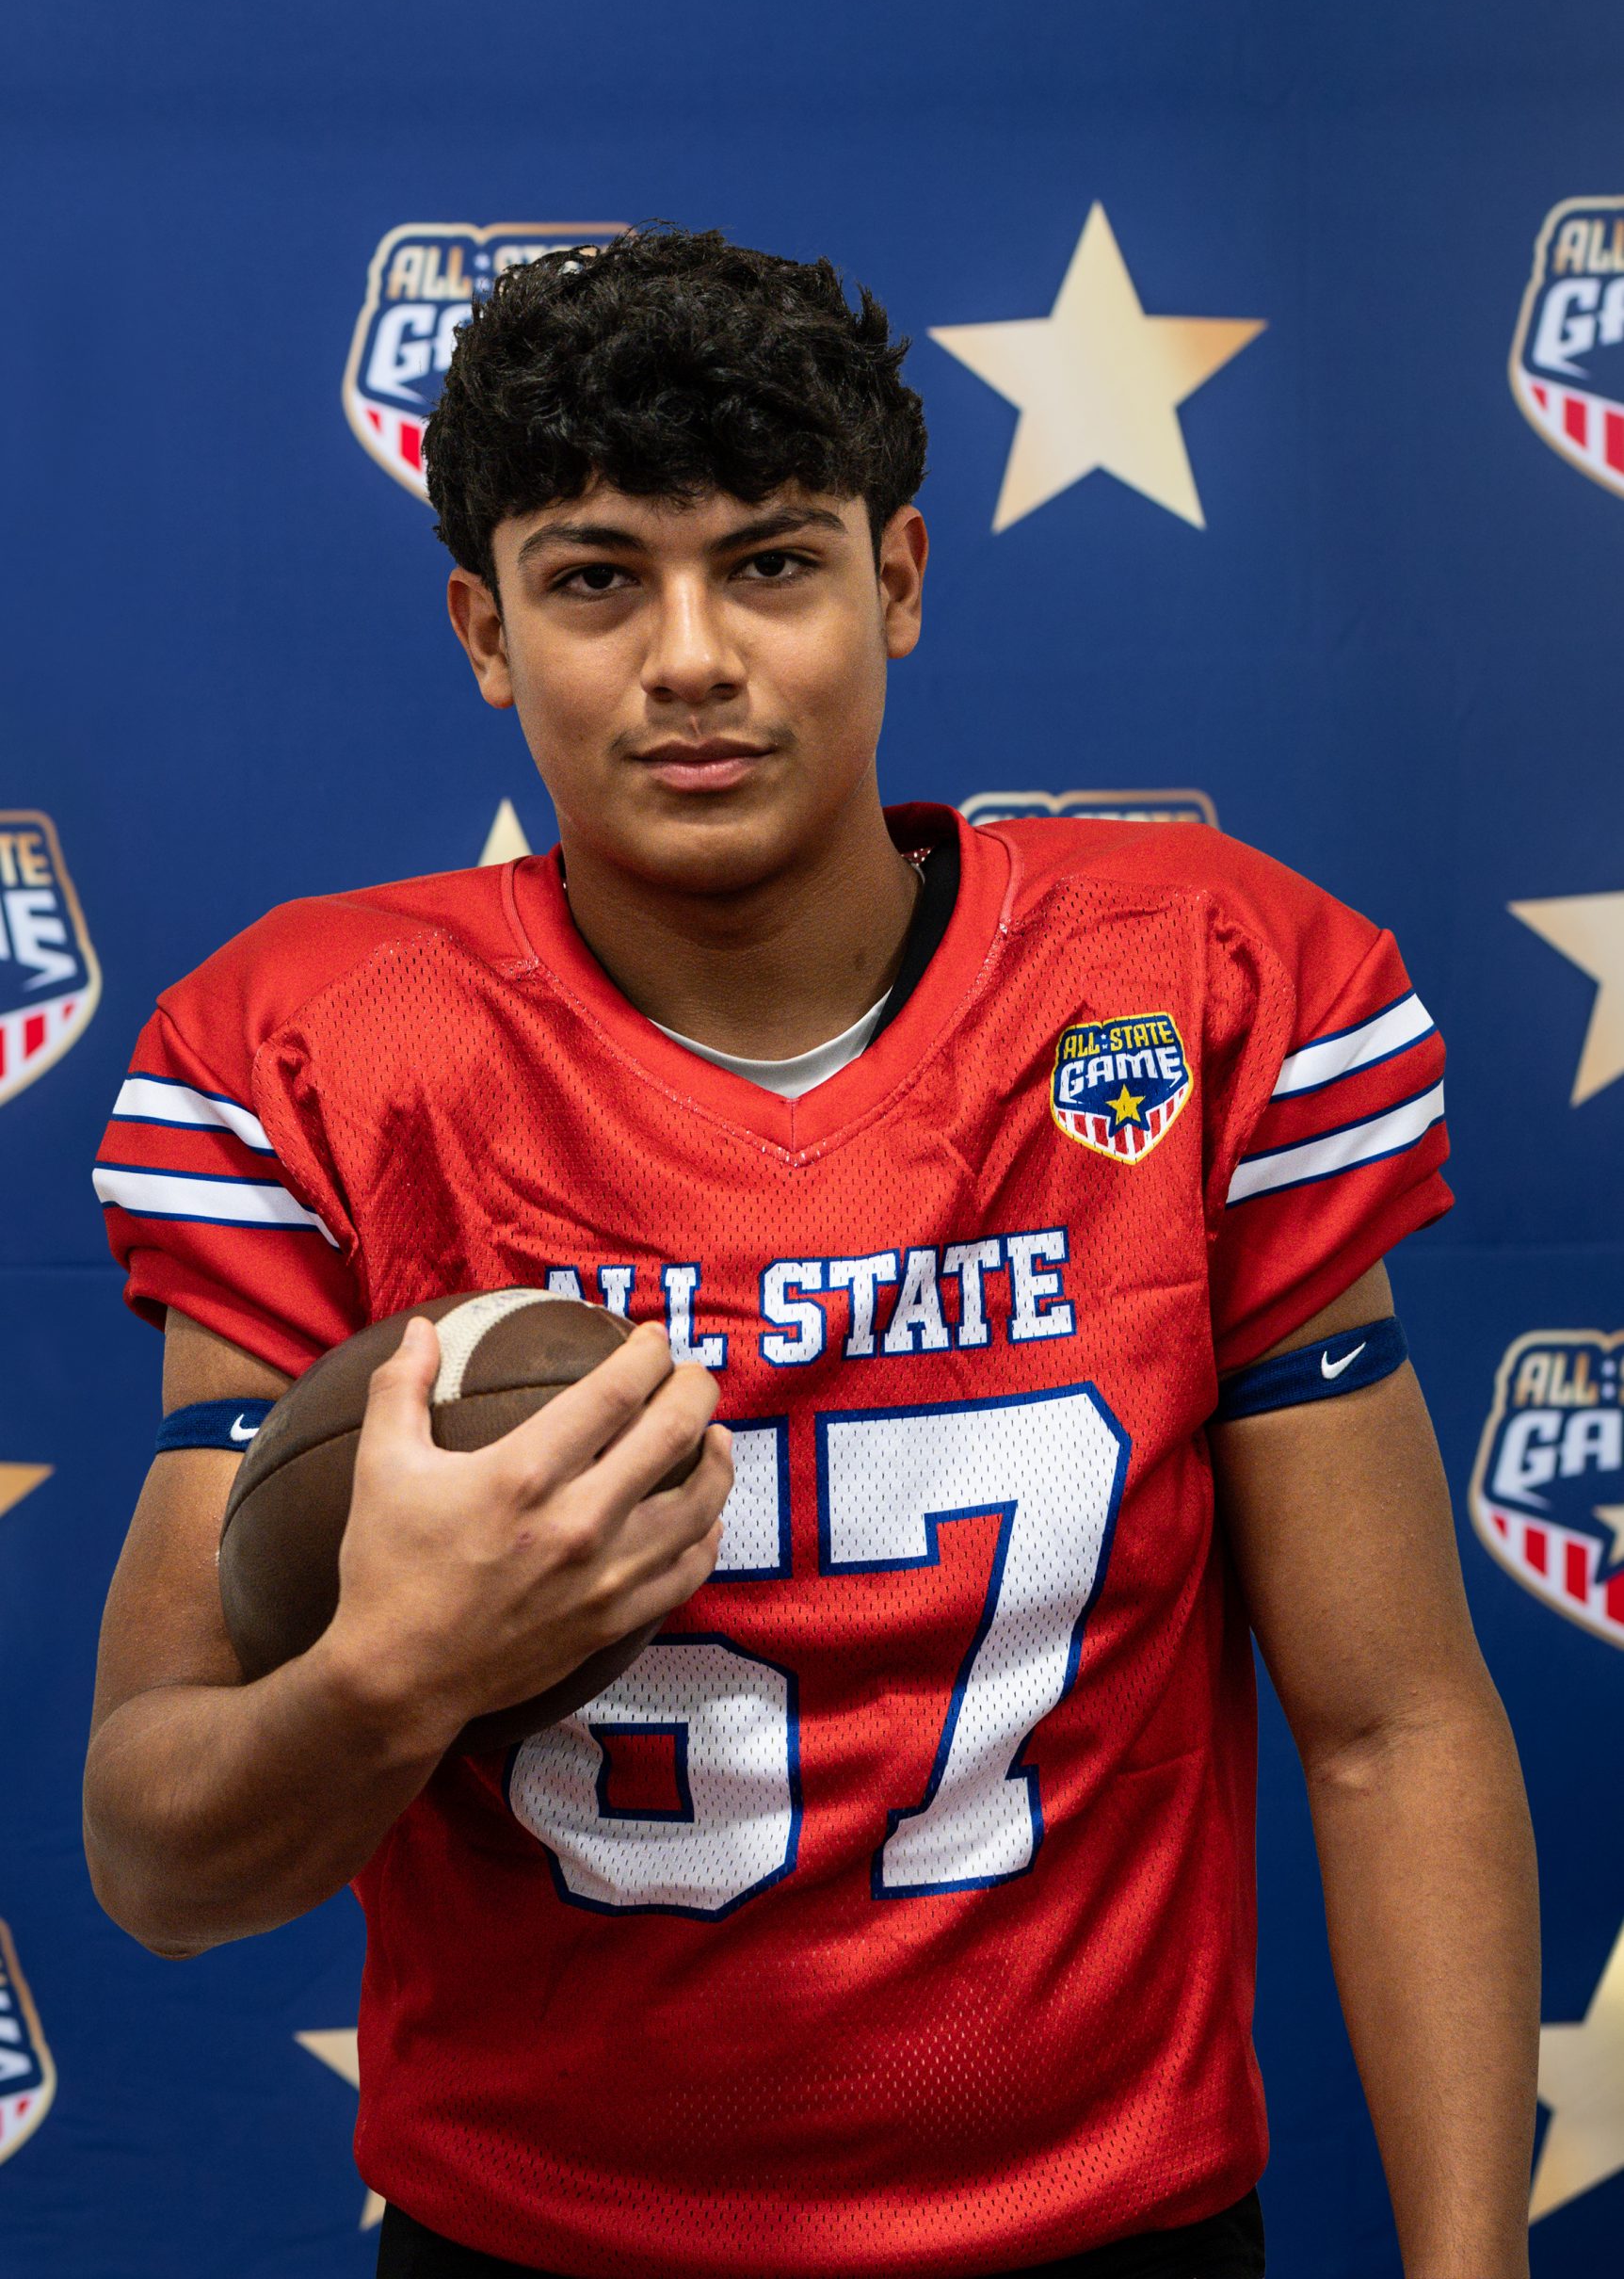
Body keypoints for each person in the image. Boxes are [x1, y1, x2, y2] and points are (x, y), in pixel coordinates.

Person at [85, 227, 1537, 2279]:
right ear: (484, 628)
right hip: (541, 2246)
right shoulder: (323, 1055)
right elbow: (159, 1852)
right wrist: (397, 1670)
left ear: (898, 581)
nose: (690, 656)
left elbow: (1391, 1725)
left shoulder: (1195, 985)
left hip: (1107, 2230)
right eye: (596, 578)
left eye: (769, 561)